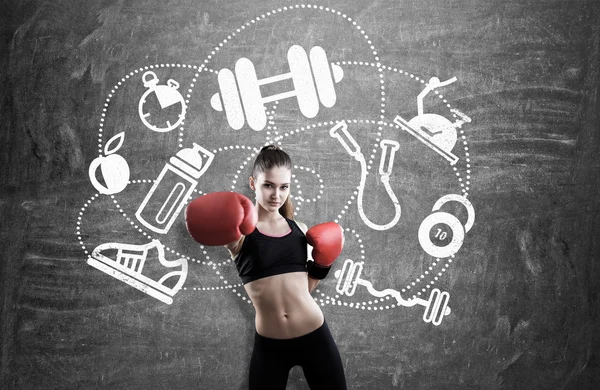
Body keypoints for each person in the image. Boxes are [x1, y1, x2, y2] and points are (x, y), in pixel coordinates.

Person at [185, 145, 347, 390]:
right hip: (270, 345)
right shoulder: (240, 235)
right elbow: (205, 218)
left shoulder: (300, 231)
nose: (276, 195)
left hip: (315, 335)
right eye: (268, 185)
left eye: (284, 187)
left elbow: (305, 289)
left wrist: (323, 264)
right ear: (253, 183)